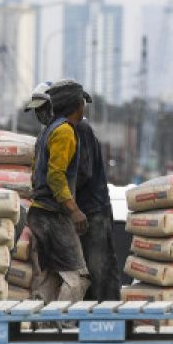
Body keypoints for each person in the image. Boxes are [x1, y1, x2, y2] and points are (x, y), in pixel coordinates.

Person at [26, 80, 91, 303]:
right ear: (76, 105)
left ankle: (41, 325)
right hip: (54, 215)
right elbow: (55, 176)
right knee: (77, 277)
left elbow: (38, 172)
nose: (85, 108)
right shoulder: (64, 131)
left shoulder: (48, 130)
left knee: (50, 277)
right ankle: (64, 323)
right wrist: (73, 210)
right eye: (83, 103)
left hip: (40, 213)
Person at [75, 104, 121, 301]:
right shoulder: (68, 129)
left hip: (93, 211)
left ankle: (104, 317)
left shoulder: (80, 129)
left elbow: (83, 171)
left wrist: (61, 194)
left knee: (98, 269)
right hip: (88, 210)